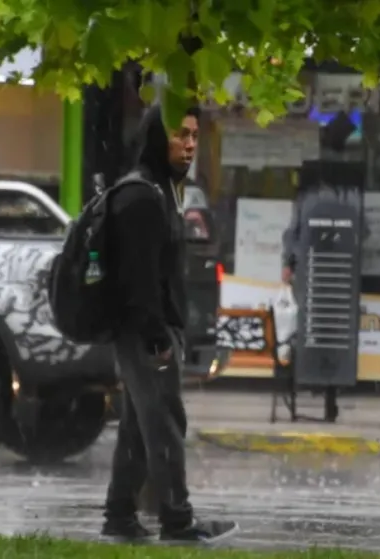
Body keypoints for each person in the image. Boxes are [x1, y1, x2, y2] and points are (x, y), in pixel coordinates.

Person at [101, 104, 238, 543]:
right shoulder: (141, 194)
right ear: (157, 136)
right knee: (163, 424)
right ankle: (177, 522)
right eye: (181, 134)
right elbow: (138, 278)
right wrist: (157, 334)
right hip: (147, 334)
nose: (190, 144)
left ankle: (120, 518)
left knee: (140, 429)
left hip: (151, 330)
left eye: (195, 135)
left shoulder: (159, 190)